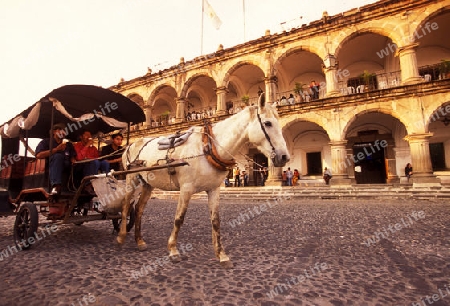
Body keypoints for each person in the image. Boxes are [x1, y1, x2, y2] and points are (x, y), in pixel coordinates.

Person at [35, 123, 76, 195]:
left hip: (67, 165)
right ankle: (56, 185)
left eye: (64, 131)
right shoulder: (46, 142)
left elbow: (72, 156)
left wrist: (73, 160)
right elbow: (39, 155)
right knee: (58, 156)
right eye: (60, 130)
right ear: (54, 132)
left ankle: (84, 186)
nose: (63, 132)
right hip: (51, 165)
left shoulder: (68, 144)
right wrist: (56, 150)